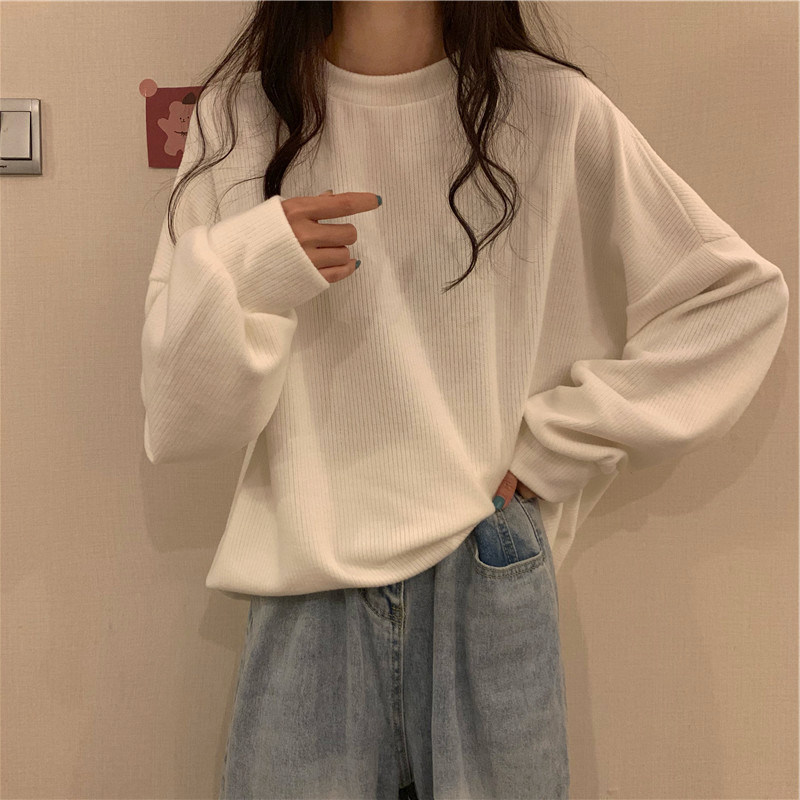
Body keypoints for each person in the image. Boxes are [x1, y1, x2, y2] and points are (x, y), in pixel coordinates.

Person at [139, 2, 790, 798]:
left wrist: (558, 443)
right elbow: (178, 424)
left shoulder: (548, 108)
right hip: (308, 581)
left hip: (483, 568)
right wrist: (250, 265)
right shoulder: (242, 117)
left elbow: (735, 299)